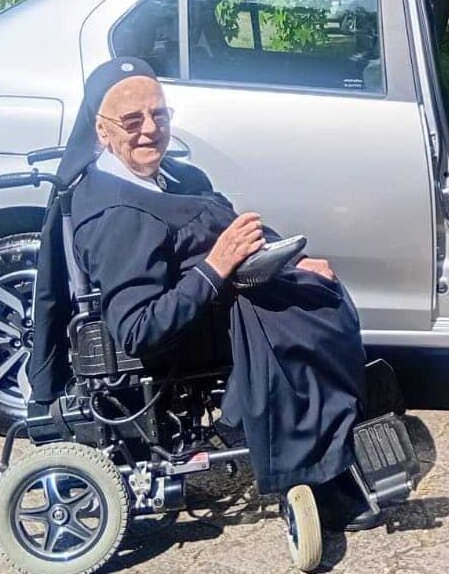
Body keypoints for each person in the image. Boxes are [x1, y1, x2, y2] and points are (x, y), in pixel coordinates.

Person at [27, 56, 378, 530]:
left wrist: (291, 259)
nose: (150, 129)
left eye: (159, 115)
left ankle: (336, 434)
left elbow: (230, 228)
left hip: (218, 300)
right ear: (102, 131)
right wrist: (216, 268)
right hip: (184, 334)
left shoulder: (175, 177)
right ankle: (316, 474)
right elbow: (138, 329)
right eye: (132, 121)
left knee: (320, 289)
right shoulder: (117, 216)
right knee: (305, 323)